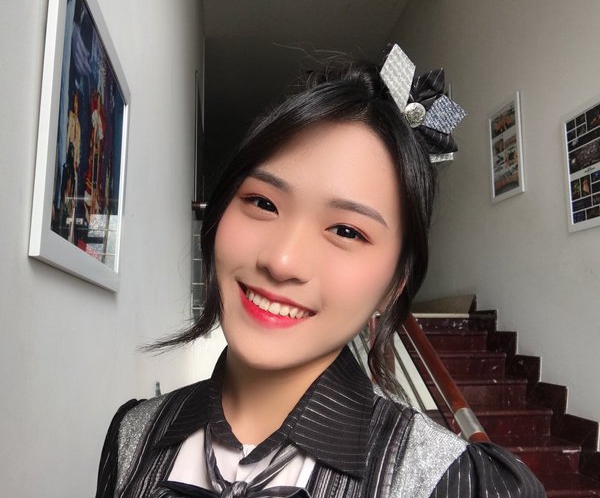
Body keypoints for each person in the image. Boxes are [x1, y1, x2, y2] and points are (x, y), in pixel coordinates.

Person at [95, 45, 545, 497]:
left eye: (347, 231)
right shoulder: (133, 434)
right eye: (262, 202)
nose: (282, 261)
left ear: (394, 286)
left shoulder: (456, 482)